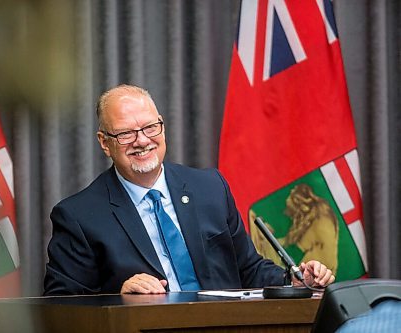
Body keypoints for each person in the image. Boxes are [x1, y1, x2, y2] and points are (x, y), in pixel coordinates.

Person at [44, 84, 335, 295]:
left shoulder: (210, 187)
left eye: (149, 128)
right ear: (104, 142)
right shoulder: (79, 216)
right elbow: (61, 305)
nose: (142, 141)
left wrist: (294, 281)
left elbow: (247, 269)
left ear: (163, 128)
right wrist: (118, 294)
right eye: (125, 133)